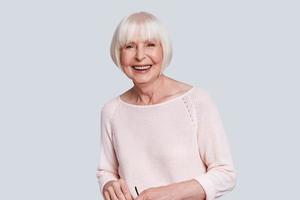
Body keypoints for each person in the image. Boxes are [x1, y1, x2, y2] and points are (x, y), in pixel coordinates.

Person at [96, 11, 236, 200]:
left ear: (164, 49)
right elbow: (106, 171)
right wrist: (109, 185)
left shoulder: (196, 102)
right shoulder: (111, 111)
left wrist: (168, 193)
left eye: (150, 45)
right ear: (118, 53)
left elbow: (225, 175)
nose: (139, 56)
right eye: (129, 46)